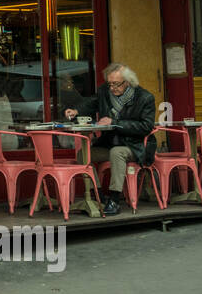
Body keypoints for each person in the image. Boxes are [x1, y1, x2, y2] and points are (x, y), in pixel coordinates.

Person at [64, 62, 156, 215]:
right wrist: (76, 110)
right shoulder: (105, 91)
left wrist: (115, 122)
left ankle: (114, 199)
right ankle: (99, 195)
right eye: (110, 84)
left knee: (117, 153)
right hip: (109, 143)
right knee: (84, 155)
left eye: (116, 84)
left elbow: (146, 127)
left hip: (135, 146)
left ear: (127, 82)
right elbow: (92, 102)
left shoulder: (145, 98)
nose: (112, 88)